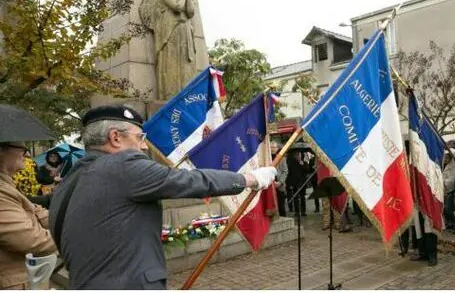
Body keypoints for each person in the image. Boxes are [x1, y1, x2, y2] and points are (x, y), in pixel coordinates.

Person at [48, 105, 277, 289]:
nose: (144, 147)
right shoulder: (123, 165)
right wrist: (251, 179)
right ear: (115, 137)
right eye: (140, 137)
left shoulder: (67, 183)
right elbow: (191, 180)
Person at [0, 142, 57, 289]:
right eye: (22, 148)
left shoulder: (6, 183)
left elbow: (36, 211)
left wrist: (68, 220)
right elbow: (29, 239)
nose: (26, 154)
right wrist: (71, 236)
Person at [286, 150, 309, 217]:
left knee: (302, 198)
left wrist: (302, 165)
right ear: (294, 156)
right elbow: (289, 174)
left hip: (302, 183)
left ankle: (303, 211)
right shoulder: (291, 164)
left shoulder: (304, 163)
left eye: (299, 155)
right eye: (296, 155)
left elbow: (307, 170)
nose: (298, 156)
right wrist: (289, 184)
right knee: (296, 198)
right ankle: (297, 212)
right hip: (295, 184)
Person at [271, 142, 288, 217]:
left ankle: (283, 218)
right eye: (271, 147)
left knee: (281, 205)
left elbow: (285, 171)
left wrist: (280, 182)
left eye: (274, 147)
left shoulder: (282, 158)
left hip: (279, 186)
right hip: (270, 185)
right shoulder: (266, 158)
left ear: (277, 148)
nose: (273, 149)